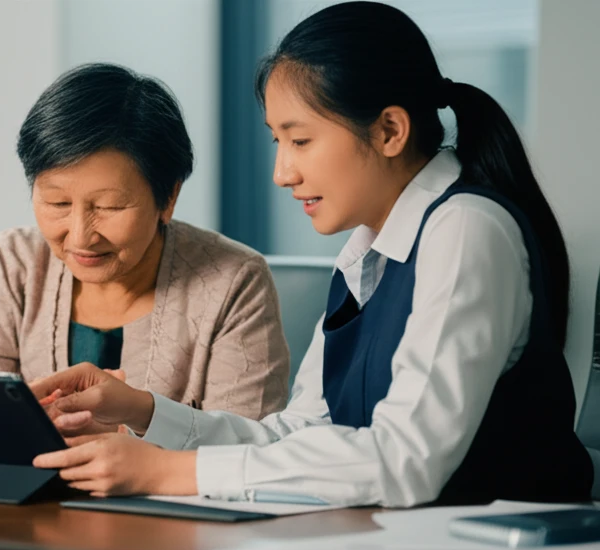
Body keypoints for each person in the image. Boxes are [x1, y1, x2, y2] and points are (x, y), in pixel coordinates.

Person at [29, 2, 594, 507]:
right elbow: (296, 435)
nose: (282, 172)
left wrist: (174, 472)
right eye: (278, 141)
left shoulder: (467, 229)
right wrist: (145, 412)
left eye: (300, 140)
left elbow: (407, 461)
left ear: (390, 130)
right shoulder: (367, 252)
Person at [0, 63, 290, 421]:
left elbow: (243, 450)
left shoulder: (233, 282)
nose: (80, 236)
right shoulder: (14, 262)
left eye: (109, 206)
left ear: (167, 198)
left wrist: (128, 441)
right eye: (58, 203)